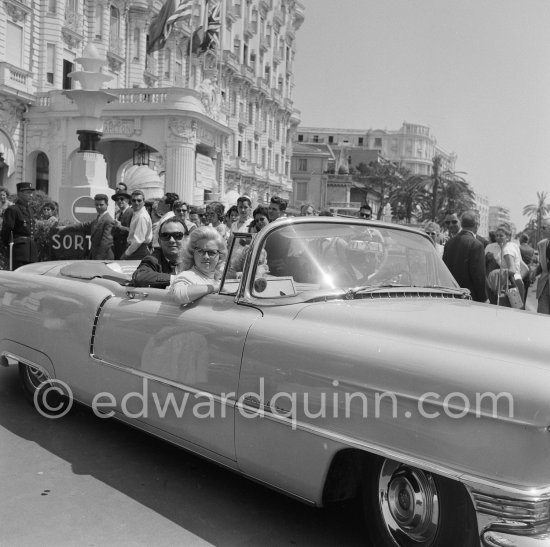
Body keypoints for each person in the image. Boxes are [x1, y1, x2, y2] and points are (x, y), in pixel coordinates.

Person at [169, 226, 227, 305]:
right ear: (192, 253)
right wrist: (214, 288)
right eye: (200, 251)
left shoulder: (217, 280)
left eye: (211, 252)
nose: (206, 256)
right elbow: (179, 295)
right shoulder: (186, 276)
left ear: (220, 256)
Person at [443, 211, 486, 302]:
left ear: (461, 224)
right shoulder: (476, 244)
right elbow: (479, 276)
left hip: (451, 295)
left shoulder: (449, 243)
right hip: (469, 297)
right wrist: (484, 298)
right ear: (477, 225)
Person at [132, 217, 187, 288]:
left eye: (177, 235)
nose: (171, 240)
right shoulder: (153, 260)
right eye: (165, 236)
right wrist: (175, 279)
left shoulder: (196, 257)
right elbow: (139, 276)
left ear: (187, 239)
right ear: (159, 241)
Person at [59, 194, 115, 260]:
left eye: (101, 205)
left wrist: (98, 260)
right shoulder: (97, 219)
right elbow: (82, 225)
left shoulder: (108, 220)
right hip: (95, 256)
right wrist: (66, 227)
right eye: (97, 205)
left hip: (104, 258)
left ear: (107, 205)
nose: (99, 207)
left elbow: (106, 243)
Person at [484, 223, 525, 307]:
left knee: (508, 311)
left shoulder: (507, 250)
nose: (498, 238)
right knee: (516, 311)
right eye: (497, 236)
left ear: (508, 237)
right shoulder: (513, 246)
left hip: (509, 285)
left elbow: (512, 270)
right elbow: (524, 268)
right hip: (513, 284)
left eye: (501, 236)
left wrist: (495, 274)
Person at [0, 182, 38, 269]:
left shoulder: (31, 210)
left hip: (31, 251)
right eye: (28, 193)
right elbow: (6, 231)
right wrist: (9, 246)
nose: (31, 195)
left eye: (31, 193)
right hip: (19, 251)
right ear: (19, 193)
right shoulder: (13, 210)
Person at [121, 190, 152, 260]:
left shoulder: (142, 216)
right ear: (130, 201)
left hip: (138, 250)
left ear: (144, 202)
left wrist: (126, 254)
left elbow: (138, 240)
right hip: (136, 249)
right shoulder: (137, 214)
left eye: (139, 200)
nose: (136, 203)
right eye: (134, 200)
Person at [111, 192, 133, 259]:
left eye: (122, 199)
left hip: (126, 248)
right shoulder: (118, 213)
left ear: (127, 200)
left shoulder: (131, 212)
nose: (119, 201)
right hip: (117, 248)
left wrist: (120, 227)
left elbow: (134, 231)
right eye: (117, 199)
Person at [535, 236, 550, 314]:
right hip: (545, 284)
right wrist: (534, 273)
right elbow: (542, 264)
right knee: (542, 315)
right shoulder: (543, 244)